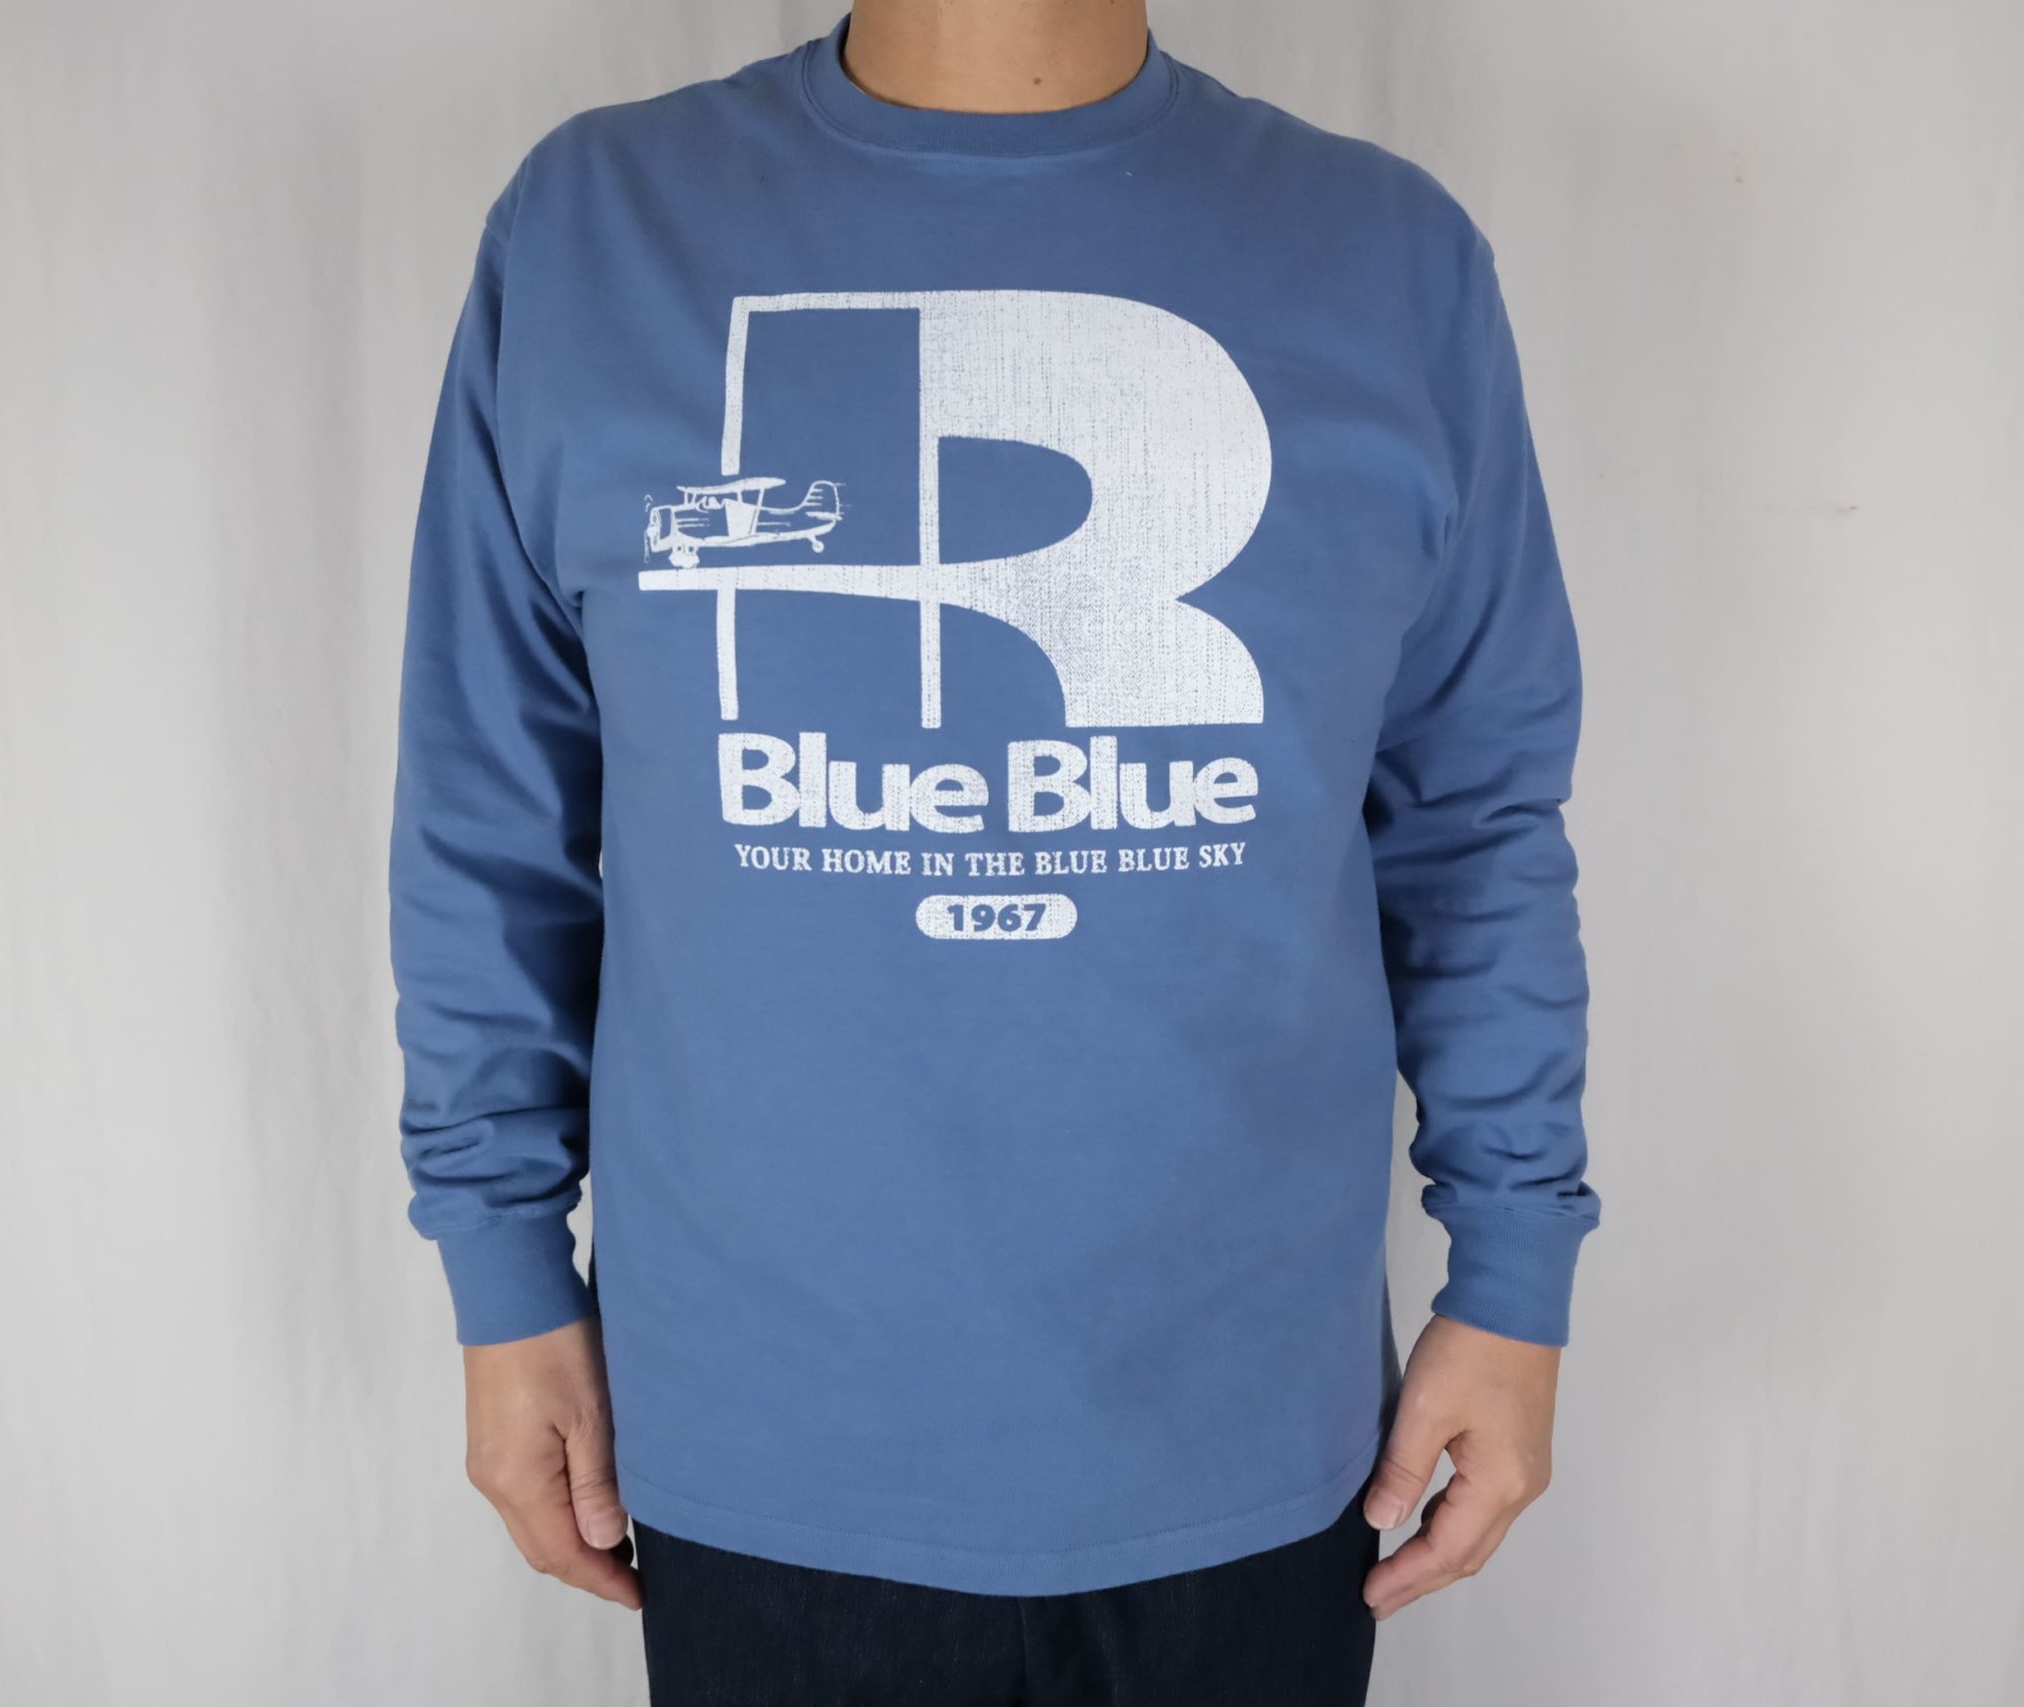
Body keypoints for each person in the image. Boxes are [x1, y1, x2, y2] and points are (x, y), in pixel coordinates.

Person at [389, 3, 1599, 1700]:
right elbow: (492, 807)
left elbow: (1473, 819)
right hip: (769, 1428)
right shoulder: (598, 228)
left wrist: (1516, 1270)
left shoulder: (1391, 257)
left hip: (1245, 1424)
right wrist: (503, 1266)